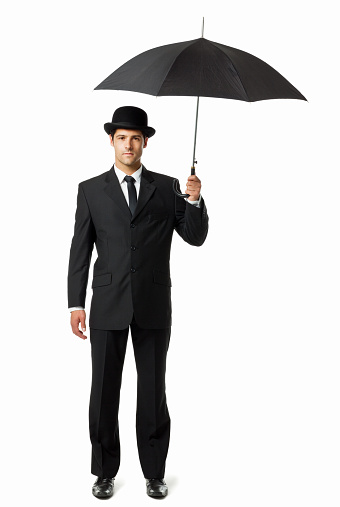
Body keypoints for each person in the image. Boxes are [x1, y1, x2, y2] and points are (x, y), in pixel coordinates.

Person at [67, 106, 208, 499]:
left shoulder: (166, 187)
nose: (128, 145)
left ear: (145, 141)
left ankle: (154, 473)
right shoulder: (91, 189)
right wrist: (74, 304)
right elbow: (80, 249)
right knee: (103, 392)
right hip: (106, 304)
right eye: (121, 137)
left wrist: (194, 201)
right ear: (111, 141)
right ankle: (104, 471)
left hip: (152, 304)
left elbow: (194, 237)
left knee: (152, 393)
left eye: (135, 138)